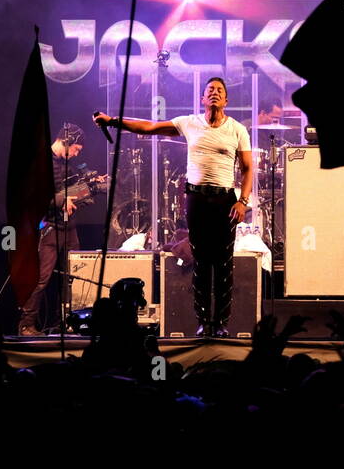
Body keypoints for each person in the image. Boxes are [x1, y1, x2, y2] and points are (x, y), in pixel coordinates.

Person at [95, 76, 252, 337]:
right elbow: (149, 127)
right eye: (209, 90)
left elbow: (248, 170)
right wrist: (112, 121)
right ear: (203, 98)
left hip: (225, 201)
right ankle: (204, 322)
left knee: (223, 263)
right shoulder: (189, 123)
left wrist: (242, 201)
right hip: (197, 200)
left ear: (226, 100)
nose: (214, 93)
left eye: (219, 91)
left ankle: (221, 323)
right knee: (201, 262)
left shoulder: (237, 130)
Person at [17, 127, 104, 335]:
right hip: (49, 228)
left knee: (73, 277)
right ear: (67, 140)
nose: (77, 154)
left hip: (69, 228)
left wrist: (92, 185)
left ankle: (66, 323)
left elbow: (72, 189)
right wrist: (61, 200)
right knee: (42, 278)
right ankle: (26, 325)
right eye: (76, 149)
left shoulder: (67, 165)